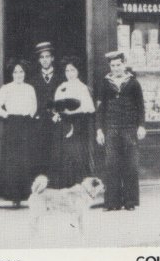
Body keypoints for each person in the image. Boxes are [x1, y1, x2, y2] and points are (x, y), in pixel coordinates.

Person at [95, 51, 146, 211]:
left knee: (130, 165)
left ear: (124, 65)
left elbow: (140, 106)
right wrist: (99, 130)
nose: (116, 68)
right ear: (110, 66)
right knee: (111, 165)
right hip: (111, 129)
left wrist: (141, 125)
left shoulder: (133, 83)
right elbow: (100, 109)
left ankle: (130, 202)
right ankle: (112, 203)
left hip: (130, 129)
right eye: (113, 65)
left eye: (118, 65)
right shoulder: (104, 83)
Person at [0, 60, 37, 206]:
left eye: (21, 72)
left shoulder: (29, 88)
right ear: (11, 74)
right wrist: (6, 114)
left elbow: (34, 106)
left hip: (25, 124)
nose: (18, 75)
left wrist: (28, 115)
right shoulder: (6, 88)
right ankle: (11, 194)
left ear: (25, 73)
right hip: (12, 125)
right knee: (12, 158)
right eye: (15, 72)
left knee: (25, 157)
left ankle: (25, 193)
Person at [48, 56, 95, 189]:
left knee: (75, 153)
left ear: (77, 71)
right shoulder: (62, 87)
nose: (70, 73)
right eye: (67, 71)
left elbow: (89, 107)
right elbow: (56, 105)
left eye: (72, 70)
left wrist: (73, 112)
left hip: (77, 123)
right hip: (63, 124)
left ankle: (77, 186)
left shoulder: (82, 87)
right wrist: (57, 114)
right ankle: (63, 186)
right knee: (62, 154)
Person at [28, 42, 63, 179]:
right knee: (40, 152)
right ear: (38, 60)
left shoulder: (61, 78)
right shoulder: (33, 80)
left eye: (47, 56)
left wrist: (58, 113)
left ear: (52, 58)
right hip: (40, 122)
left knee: (56, 151)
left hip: (56, 120)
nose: (45, 60)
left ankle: (55, 183)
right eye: (42, 57)